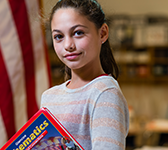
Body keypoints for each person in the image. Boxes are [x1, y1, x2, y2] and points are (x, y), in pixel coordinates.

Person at [40, 0, 129, 149]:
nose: (68, 45)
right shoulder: (48, 97)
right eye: (58, 36)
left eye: (78, 33)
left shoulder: (104, 92)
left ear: (102, 33)